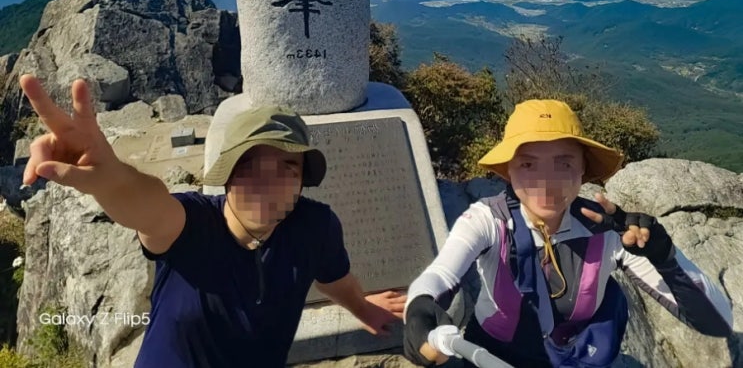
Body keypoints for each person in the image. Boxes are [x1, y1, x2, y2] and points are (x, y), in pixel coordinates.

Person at [18, 75, 406, 368]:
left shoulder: (314, 227)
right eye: (252, 165)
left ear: (302, 182)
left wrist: (363, 308)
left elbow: (333, 277)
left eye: (287, 167)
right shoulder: (191, 225)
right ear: (229, 174)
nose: (270, 183)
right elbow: (146, 203)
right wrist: (111, 176)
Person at [403, 99, 733, 368]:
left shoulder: (606, 230)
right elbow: (439, 275)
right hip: (491, 356)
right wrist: (419, 308)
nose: (546, 182)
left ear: (582, 170)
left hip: (576, 359)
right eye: (529, 165)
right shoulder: (488, 220)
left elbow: (717, 321)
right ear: (509, 171)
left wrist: (666, 257)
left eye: (563, 164)